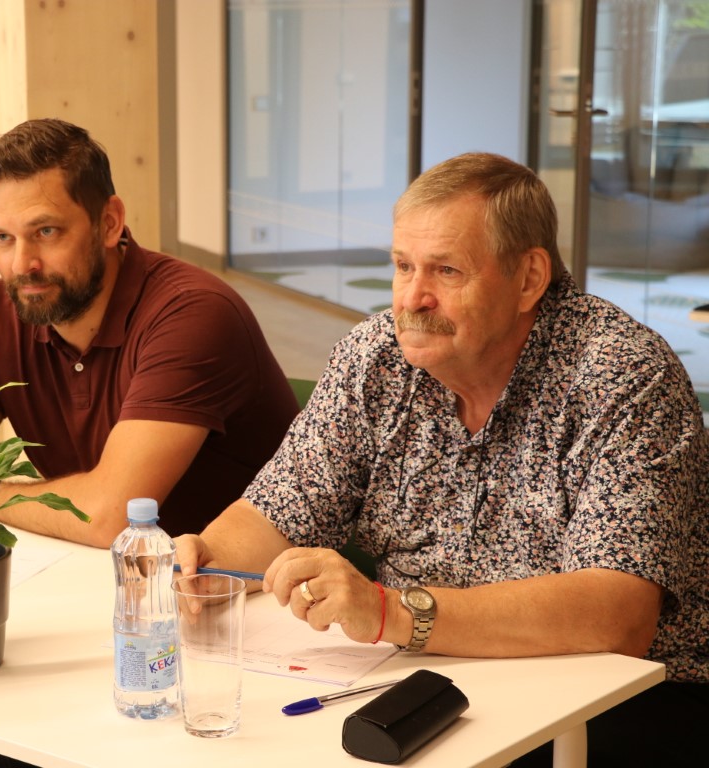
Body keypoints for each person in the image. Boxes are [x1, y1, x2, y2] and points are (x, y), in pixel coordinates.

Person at [175, 152, 709, 767]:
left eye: (446, 271)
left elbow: (617, 616)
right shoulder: (375, 358)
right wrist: (203, 564)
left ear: (529, 278)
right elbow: (280, 509)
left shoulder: (623, 376)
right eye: (403, 266)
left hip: (621, 699)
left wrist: (391, 612)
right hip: (421, 679)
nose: (412, 298)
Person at [0, 117, 298, 766]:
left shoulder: (192, 313)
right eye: (3, 238)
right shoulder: (2, 307)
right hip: (98, 600)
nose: (23, 264)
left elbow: (109, 516)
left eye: (46, 232)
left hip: (226, 627)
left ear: (109, 222)